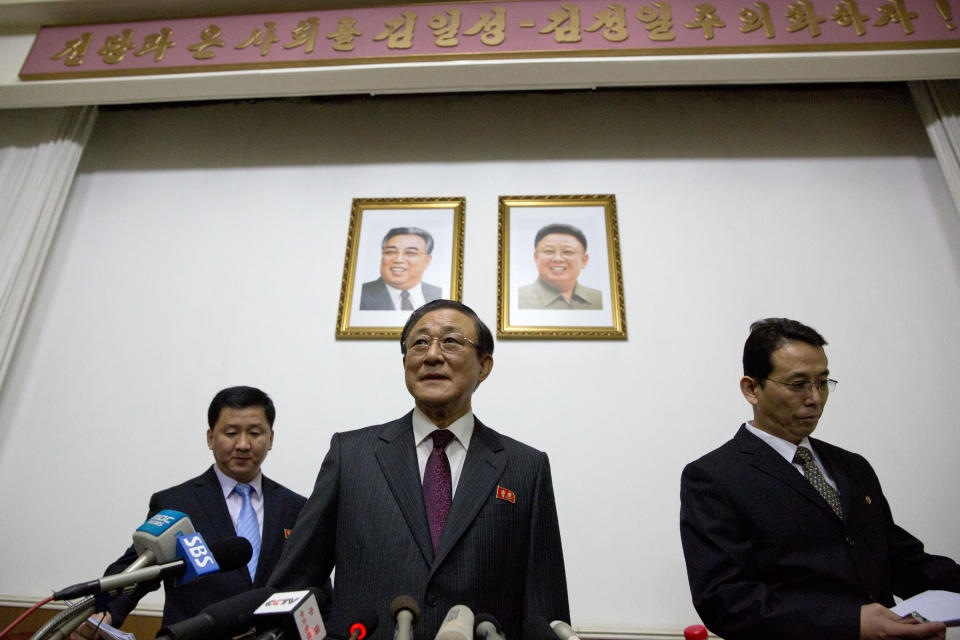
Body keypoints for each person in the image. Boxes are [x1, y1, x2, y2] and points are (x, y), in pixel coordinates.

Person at [267, 299, 570, 639]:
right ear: (405, 362)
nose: (432, 355)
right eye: (420, 343)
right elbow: (293, 585)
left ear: (484, 366)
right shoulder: (350, 455)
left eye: (451, 341)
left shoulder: (525, 467)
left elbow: (546, 610)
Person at [680, 318, 960, 640]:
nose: (815, 398)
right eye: (798, 384)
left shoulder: (853, 466)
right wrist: (850, 623)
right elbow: (725, 601)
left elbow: (898, 558)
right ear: (751, 389)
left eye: (823, 382)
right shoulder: (714, 478)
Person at [72, 386, 320, 639]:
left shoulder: (297, 508)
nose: (243, 444)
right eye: (231, 433)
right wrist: (105, 613)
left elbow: (316, 585)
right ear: (211, 438)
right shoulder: (177, 503)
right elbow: (136, 570)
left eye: (255, 433)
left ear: (271, 439)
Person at [517, 223, 602, 310]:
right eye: (549, 251)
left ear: (584, 260)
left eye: (568, 252)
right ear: (536, 258)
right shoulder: (517, 300)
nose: (558, 259)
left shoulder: (599, 300)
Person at [360, 227, 442, 310]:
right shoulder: (360, 294)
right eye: (390, 252)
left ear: (427, 261)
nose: (398, 260)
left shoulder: (439, 295)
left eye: (410, 253)